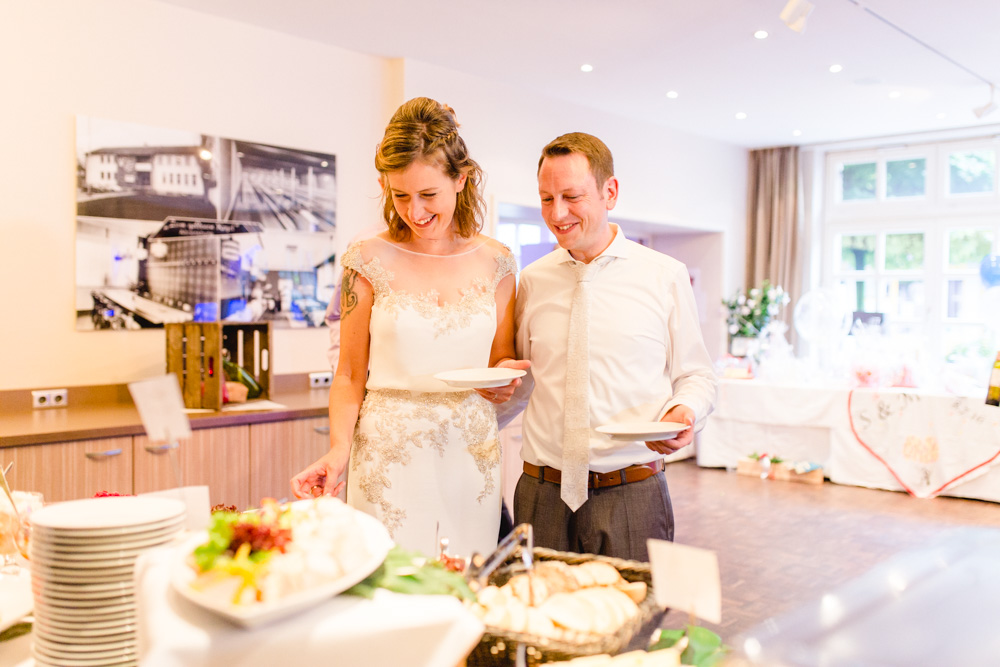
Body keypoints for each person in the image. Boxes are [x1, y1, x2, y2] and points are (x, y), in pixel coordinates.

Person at [291, 97, 528, 558]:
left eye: (427, 195)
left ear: (460, 180)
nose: (413, 211)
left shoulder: (498, 261)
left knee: (465, 586)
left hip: (470, 454)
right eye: (400, 196)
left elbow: (501, 355)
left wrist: (503, 379)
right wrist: (339, 450)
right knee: (389, 585)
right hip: (386, 455)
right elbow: (348, 374)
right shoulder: (365, 259)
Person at [501, 132, 718, 562]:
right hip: (540, 494)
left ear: (610, 192)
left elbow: (696, 375)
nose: (557, 213)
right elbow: (522, 378)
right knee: (537, 623)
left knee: (631, 622)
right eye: (546, 198)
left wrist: (685, 411)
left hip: (632, 492)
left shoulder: (664, 276)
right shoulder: (532, 280)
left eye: (572, 196)